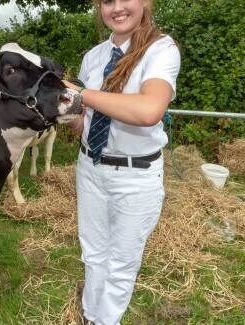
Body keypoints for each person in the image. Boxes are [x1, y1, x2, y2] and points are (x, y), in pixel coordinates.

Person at [62, 0, 180, 324]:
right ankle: (89, 313)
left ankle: (105, 320)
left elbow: (148, 111)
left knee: (121, 263)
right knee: (93, 252)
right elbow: (85, 121)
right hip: (90, 167)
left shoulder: (161, 50)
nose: (116, 8)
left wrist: (81, 94)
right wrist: (65, 112)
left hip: (135, 176)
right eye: (106, 1)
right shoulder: (93, 57)